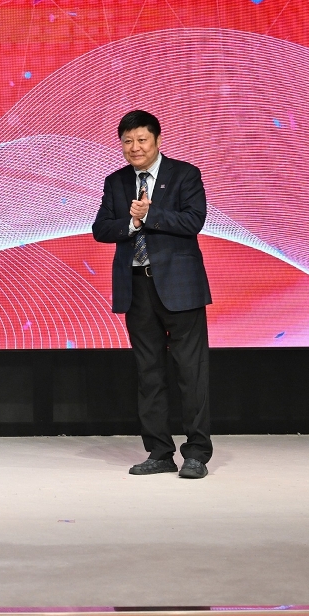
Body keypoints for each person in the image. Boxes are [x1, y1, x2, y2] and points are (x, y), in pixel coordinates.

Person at [91, 111, 213, 479]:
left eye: (142, 140)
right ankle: (159, 452)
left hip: (181, 287)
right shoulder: (116, 181)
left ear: (157, 140)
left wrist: (150, 215)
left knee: (191, 372)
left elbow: (194, 220)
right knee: (149, 373)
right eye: (127, 141)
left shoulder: (185, 174)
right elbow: (101, 229)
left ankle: (196, 454)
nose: (135, 147)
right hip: (137, 287)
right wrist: (131, 223)